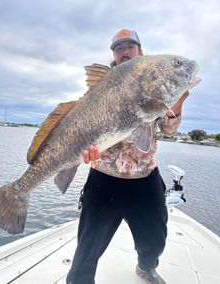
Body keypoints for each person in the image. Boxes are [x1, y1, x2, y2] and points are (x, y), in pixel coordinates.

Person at [66, 29, 189, 284]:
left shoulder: (152, 80)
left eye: (129, 46)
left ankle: (146, 267)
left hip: (145, 177)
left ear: (140, 51)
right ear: (113, 53)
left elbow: (167, 129)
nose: (124, 51)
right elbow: (83, 126)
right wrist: (82, 151)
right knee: (86, 251)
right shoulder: (102, 86)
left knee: (155, 240)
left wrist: (176, 104)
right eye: (118, 47)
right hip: (103, 177)